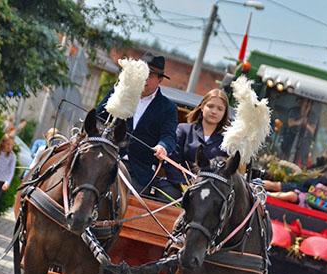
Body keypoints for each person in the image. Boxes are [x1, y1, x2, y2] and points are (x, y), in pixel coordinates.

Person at [96, 54, 177, 191]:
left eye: (150, 75)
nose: (144, 79)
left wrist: (162, 146)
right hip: (107, 159)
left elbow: (168, 136)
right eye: (141, 74)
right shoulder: (119, 93)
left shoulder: (167, 108)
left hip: (138, 171)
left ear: (160, 80)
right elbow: (98, 119)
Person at [156, 88, 231, 199]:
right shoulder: (183, 130)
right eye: (210, 106)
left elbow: (225, 172)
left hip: (210, 191)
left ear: (224, 113)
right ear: (201, 107)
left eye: (220, 109)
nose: (214, 111)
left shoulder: (227, 141)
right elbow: (172, 161)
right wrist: (184, 184)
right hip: (178, 186)